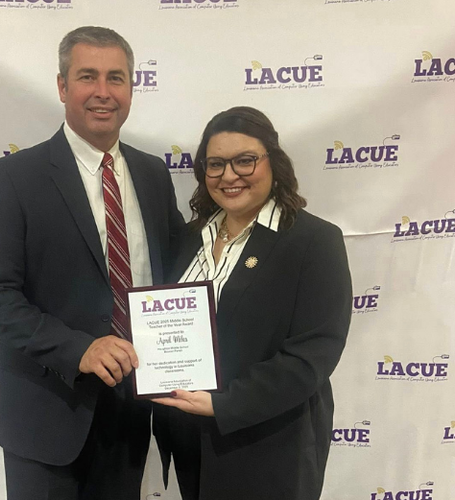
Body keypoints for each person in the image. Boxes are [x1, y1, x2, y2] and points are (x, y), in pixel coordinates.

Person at [0, 26, 184, 500]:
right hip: (46, 413)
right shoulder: (15, 177)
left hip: (130, 411)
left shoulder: (153, 173)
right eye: (88, 77)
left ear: (132, 87)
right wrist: (77, 349)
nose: (103, 92)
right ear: (63, 86)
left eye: (116, 78)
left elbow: (178, 274)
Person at [151, 106, 352, 500]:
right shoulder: (188, 239)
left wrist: (224, 405)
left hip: (270, 444)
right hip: (191, 438)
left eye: (245, 161)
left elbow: (313, 354)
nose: (229, 175)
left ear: (273, 163)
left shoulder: (313, 242)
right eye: (216, 164)